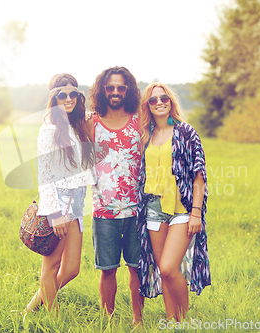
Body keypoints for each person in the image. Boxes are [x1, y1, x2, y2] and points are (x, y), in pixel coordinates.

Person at [136, 83, 210, 321]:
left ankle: (184, 320)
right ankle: (172, 322)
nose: (159, 102)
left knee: (168, 267)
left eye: (164, 98)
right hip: (154, 209)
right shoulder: (146, 135)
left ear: (171, 102)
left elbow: (199, 174)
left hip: (182, 209)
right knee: (164, 272)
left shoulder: (185, 132)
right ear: (147, 106)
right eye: (153, 100)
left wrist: (196, 212)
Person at [26, 73, 95, 314]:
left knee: (72, 269)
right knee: (52, 266)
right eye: (62, 94)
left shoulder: (77, 126)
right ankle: (53, 318)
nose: (68, 98)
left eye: (73, 94)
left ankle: (31, 308)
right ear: (54, 97)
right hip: (59, 203)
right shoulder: (49, 129)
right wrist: (54, 212)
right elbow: (44, 175)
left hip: (76, 204)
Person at [87, 66, 144, 325]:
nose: (116, 92)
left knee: (136, 268)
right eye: (110, 87)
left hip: (137, 209)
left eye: (121, 87)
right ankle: (108, 323)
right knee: (107, 270)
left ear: (128, 90)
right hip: (103, 209)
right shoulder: (91, 123)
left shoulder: (139, 119)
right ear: (102, 90)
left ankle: (138, 321)